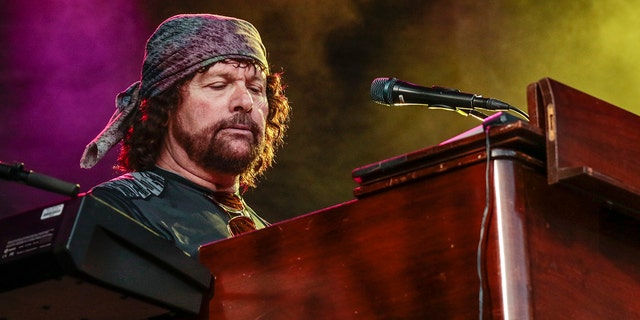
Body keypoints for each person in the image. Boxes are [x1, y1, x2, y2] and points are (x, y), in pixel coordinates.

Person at [79, 13, 290, 258]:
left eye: (255, 88)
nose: (246, 101)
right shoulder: (116, 210)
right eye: (218, 85)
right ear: (166, 105)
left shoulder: (273, 235)